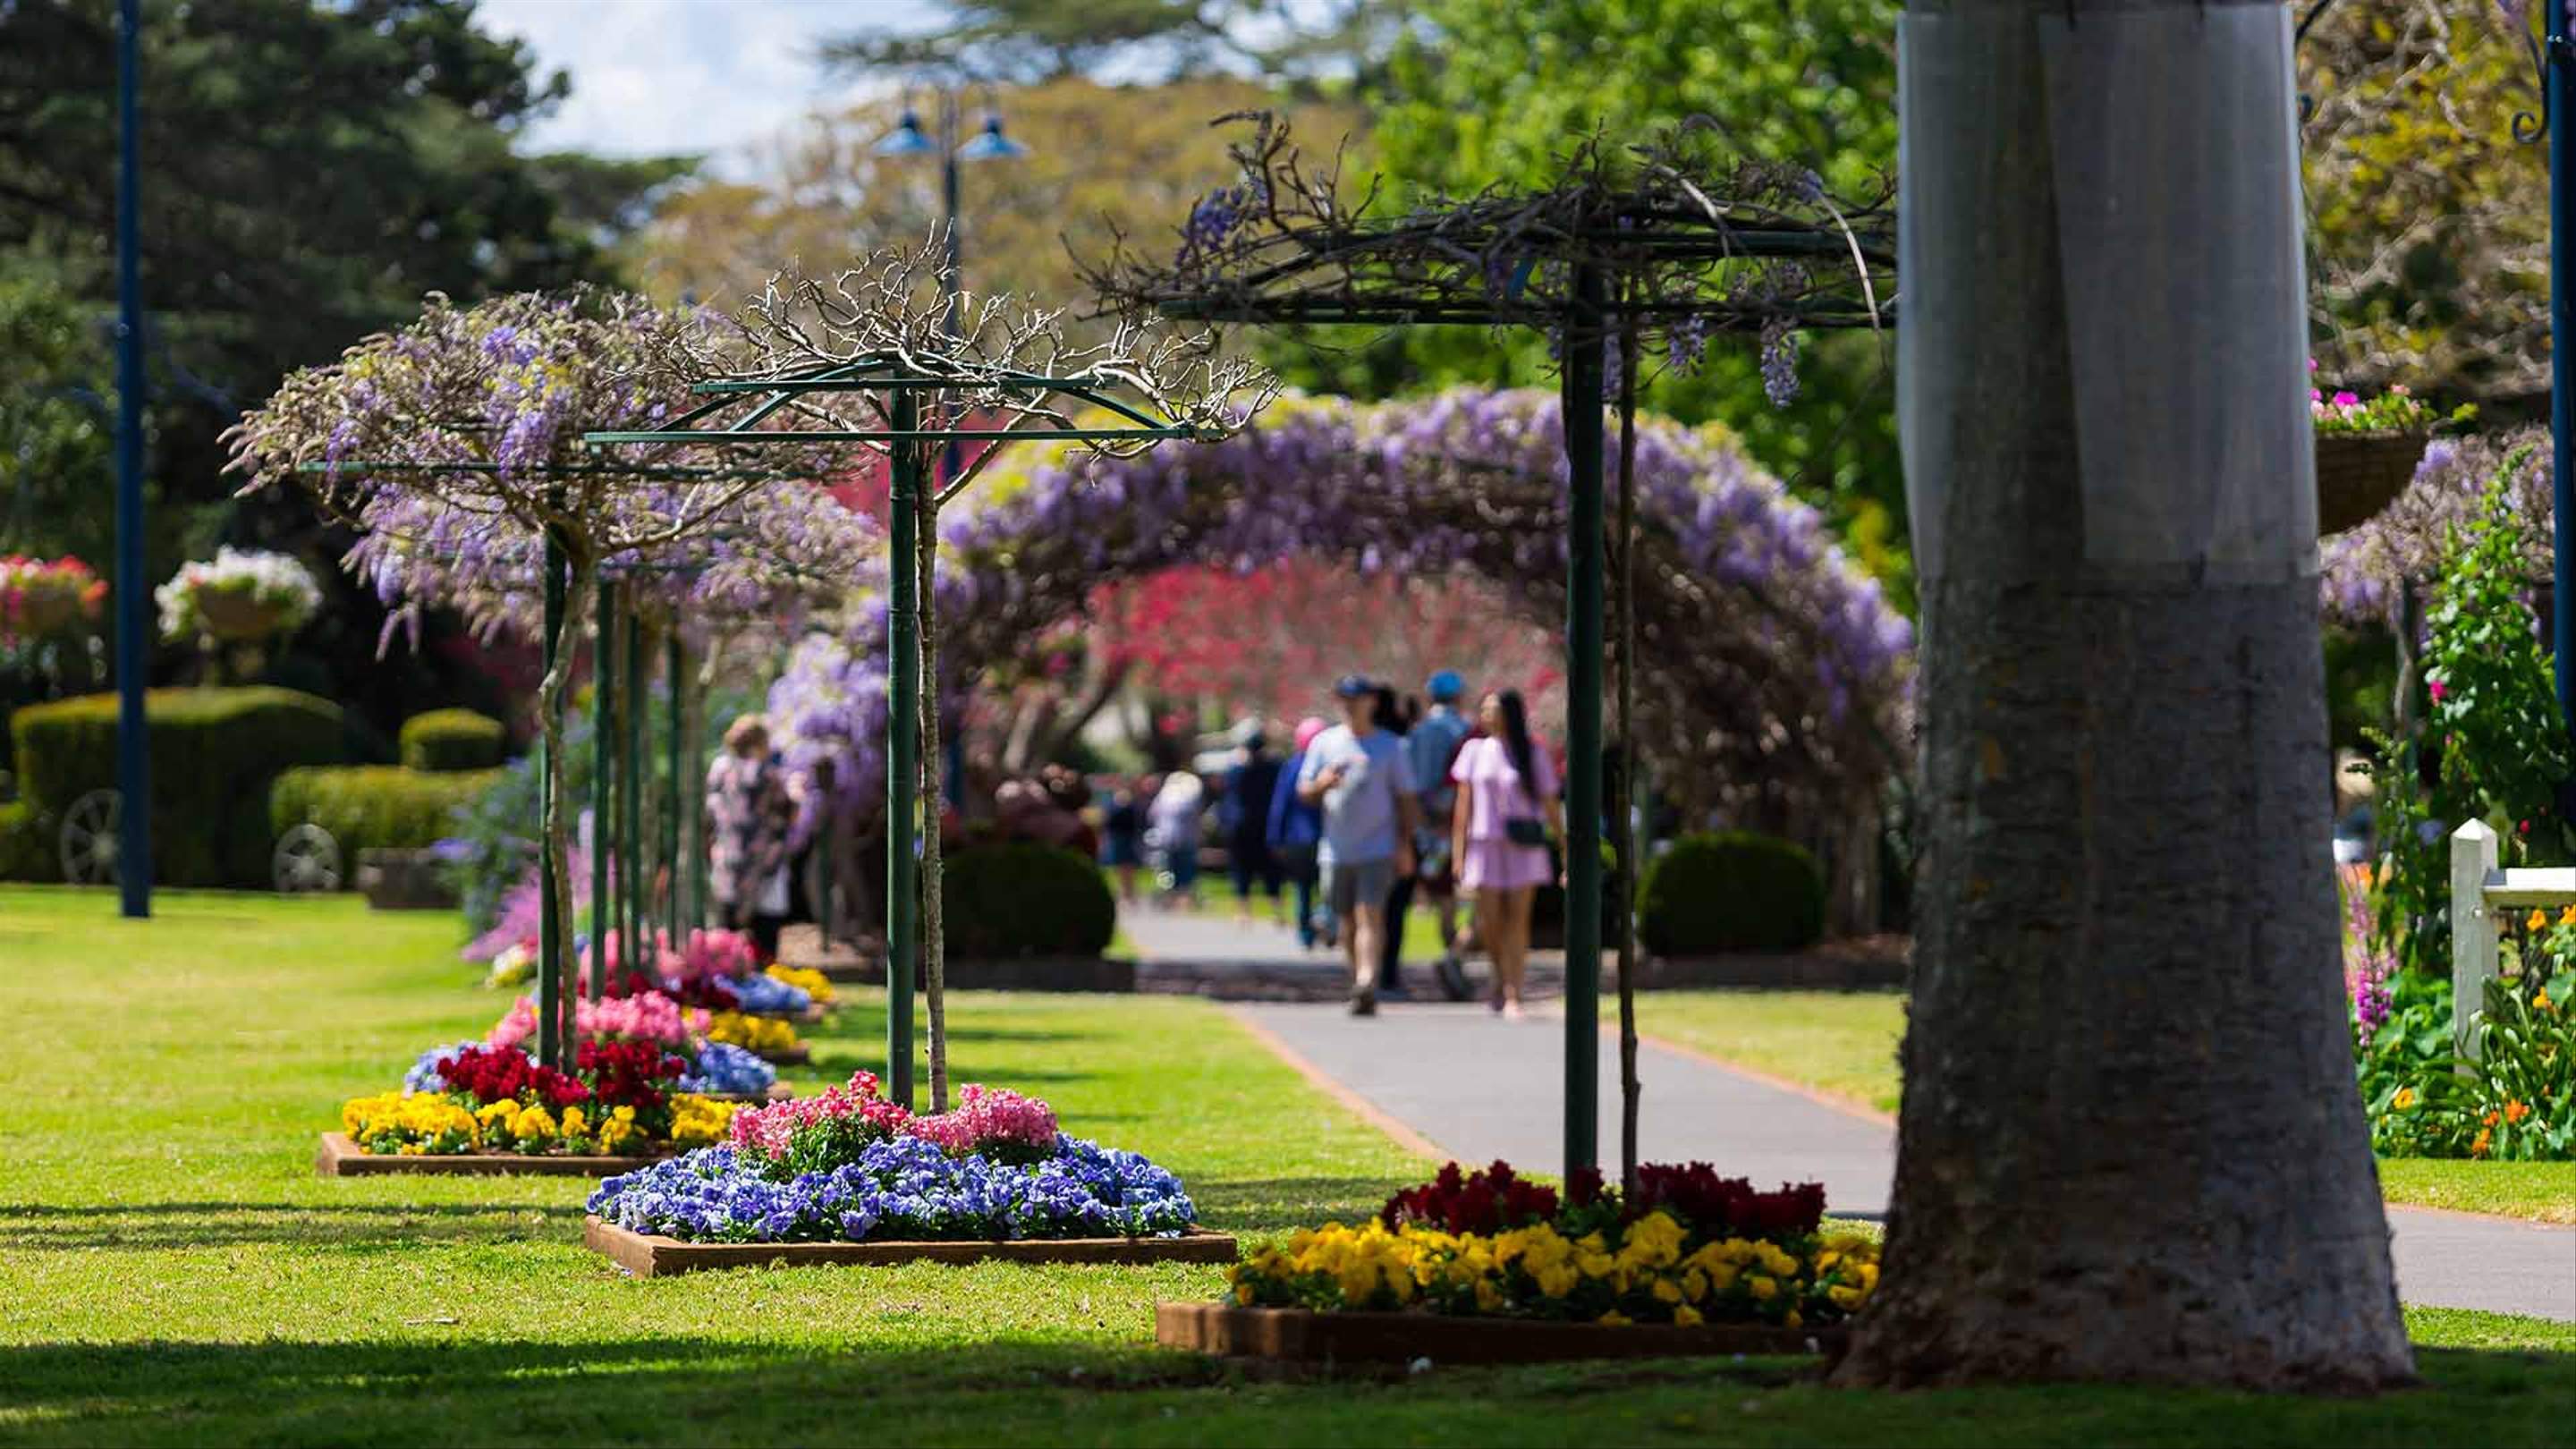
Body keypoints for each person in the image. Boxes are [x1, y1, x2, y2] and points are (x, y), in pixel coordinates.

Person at [1299, 675, 1423, 1015]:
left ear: (1372, 701)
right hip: (1336, 850)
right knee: (1346, 922)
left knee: (1370, 914)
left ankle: (1368, 980)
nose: (1350, 704)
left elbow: (1407, 801)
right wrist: (1322, 784)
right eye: (1344, 698)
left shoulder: (1390, 746)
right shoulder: (1325, 743)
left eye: (1357, 698)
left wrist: (1405, 845)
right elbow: (1304, 791)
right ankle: (1358, 981)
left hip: (1378, 848)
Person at [1450, 689, 1563, 1018]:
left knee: (1517, 920)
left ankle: (1514, 990)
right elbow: (1463, 808)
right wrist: (1459, 855)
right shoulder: (1474, 751)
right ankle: (1497, 979)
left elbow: (1550, 803)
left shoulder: (1531, 752)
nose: (1486, 715)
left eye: (1492, 709)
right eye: (1483, 709)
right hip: (1485, 845)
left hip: (1523, 846)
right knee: (1490, 922)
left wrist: (1562, 843)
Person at [1400, 669, 1475, 998]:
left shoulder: (1417, 733)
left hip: (1420, 826)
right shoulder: (1462, 730)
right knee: (1453, 896)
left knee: (1434, 894)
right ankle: (1452, 957)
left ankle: (1448, 955)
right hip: (1450, 824)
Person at [705, 714, 793, 962]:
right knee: (764, 945)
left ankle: (725, 990)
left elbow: (711, 817)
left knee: (726, 945)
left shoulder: (719, 770)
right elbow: (783, 818)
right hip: (762, 867)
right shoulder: (769, 775)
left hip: (727, 864)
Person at [1268, 716, 1330, 949]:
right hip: (1323, 838)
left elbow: (1279, 806)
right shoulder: (1328, 768)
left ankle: (1306, 933)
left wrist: (1275, 838)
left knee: (1302, 889)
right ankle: (1322, 921)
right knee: (1326, 888)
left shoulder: (1292, 766)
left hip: (1297, 840)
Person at [1222, 728, 1285, 925]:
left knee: (1242, 868)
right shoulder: (1273, 768)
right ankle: (1277, 911)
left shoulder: (1237, 770)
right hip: (1265, 825)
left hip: (1241, 826)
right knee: (1270, 868)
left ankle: (1244, 912)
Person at [1148, 769, 1206, 909]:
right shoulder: (1190, 798)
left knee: (1169, 870)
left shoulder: (1163, 797)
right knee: (1181, 870)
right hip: (1183, 840)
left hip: (1168, 839)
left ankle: (1173, 899)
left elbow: (1151, 815)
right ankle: (1180, 899)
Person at [1099, 776, 1148, 903]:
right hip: (1116, 838)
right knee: (1120, 868)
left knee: (1127, 867)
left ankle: (1129, 894)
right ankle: (1125, 893)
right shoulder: (1112, 801)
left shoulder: (1128, 801)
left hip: (1127, 838)